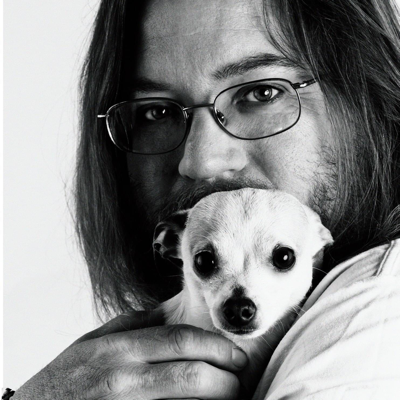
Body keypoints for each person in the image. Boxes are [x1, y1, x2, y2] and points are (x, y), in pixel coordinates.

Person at [11, 0, 400, 399]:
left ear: (370, 101)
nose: (200, 161)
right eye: (156, 111)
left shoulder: (380, 313)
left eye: (262, 92)